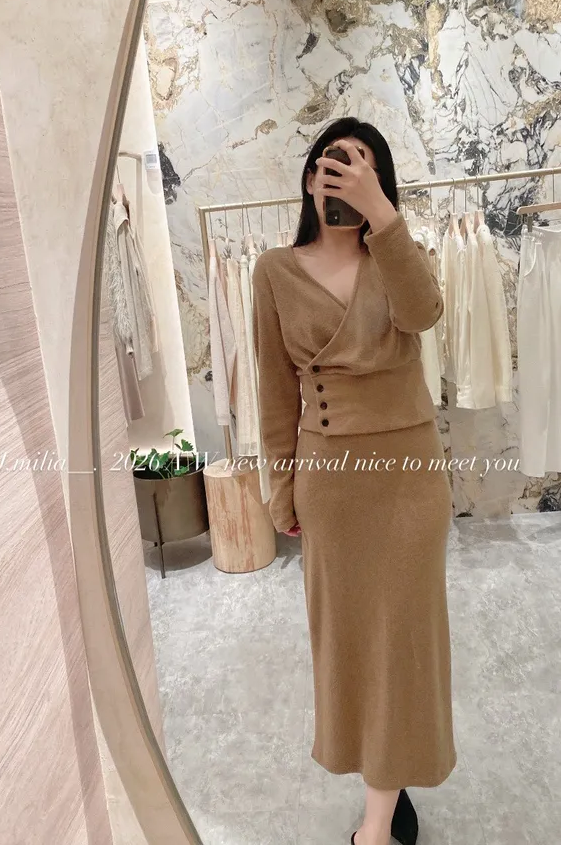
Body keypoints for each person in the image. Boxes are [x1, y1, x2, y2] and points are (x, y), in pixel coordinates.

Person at [251, 118, 456, 845]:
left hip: (408, 476)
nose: (345, 175)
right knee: (350, 642)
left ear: (380, 184)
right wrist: (281, 489)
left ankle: (377, 820)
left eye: (364, 167)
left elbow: (423, 314)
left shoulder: (398, 252)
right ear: (311, 178)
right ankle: (384, 776)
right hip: (331, 481)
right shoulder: (273, 271)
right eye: (334, 163)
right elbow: (274, 393)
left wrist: (383, 218)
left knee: (403, 640)